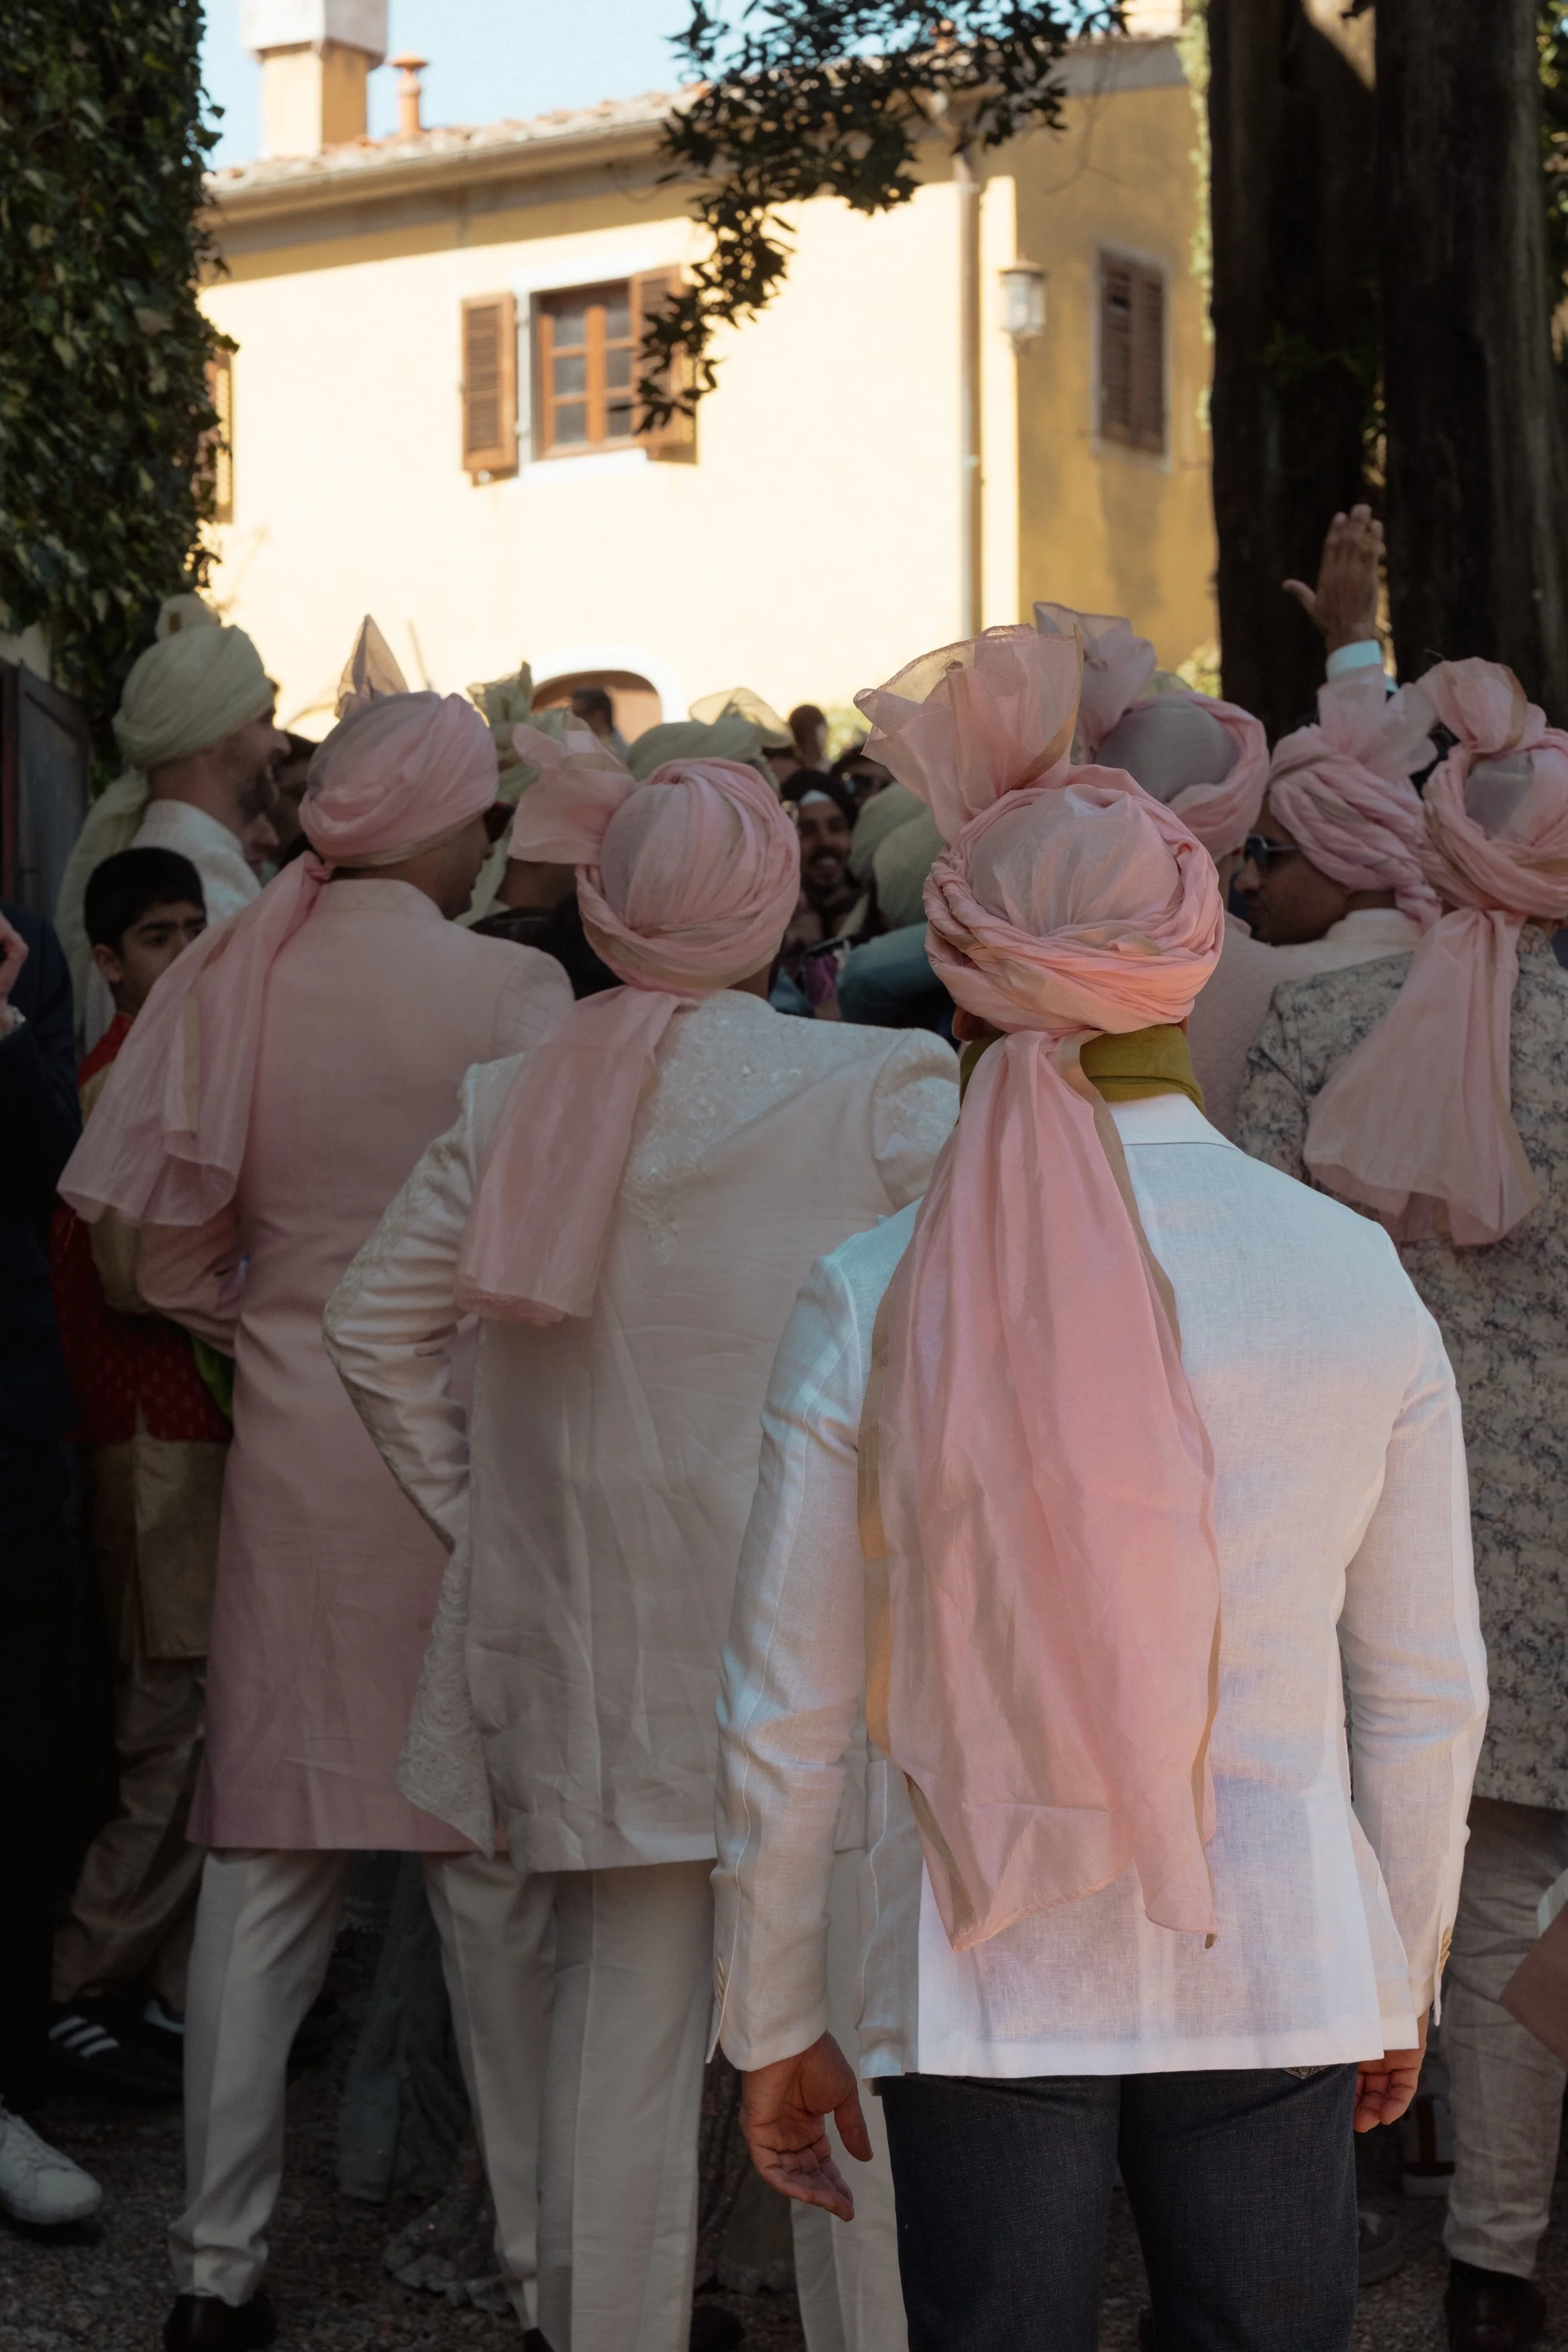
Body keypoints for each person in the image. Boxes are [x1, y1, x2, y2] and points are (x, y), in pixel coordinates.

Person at [711, 640, 1488, 2352]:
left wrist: (769, 2007)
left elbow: (787, 1700)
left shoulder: (875, 1282)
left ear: (969, 982)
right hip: (1274, 1932)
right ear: (1187, 959)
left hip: (981, 1956)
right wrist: (1398, 1961)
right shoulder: (1346, 1272)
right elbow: (1425, 1686)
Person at [324, 723, 958, 2352]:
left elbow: (370, 1325)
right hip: (825, 1649)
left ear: (601, 909)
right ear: (772, 911)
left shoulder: (515, 1093)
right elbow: (963, 1348)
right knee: (849, 2059)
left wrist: (492, 1516)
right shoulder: (882, 1085)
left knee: (618, 2048)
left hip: (600, 1653)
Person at [60, 627, 573, 2352]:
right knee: (487, 1877)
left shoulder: (237, 970)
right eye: (480, 812)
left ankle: (213, 2272)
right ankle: (540, 2278)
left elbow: (178, 1249)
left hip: (288, 1443)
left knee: (264, 1864)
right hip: (458, 1449)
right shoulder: (509, 990)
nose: (487, 839)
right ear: (435, 825)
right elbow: (545, 1246)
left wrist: (279, 1318)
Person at [1234, 657, 1568, 2352]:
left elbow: (1248, 1281)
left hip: (1372, 1510)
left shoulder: (1313, 1023)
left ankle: (1452, 2220)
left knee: (1408, 1853)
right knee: (1527, 1889)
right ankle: (1498, 2228)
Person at [48, 850, 229, 2102]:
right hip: (149, 1432)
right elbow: (130, 1277)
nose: (180, 956)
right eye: (154, 938)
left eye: (194, 931)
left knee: (190, 1727)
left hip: (171, 1432)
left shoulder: (164, 1071)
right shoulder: (133, 1080)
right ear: (107, 963)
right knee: (167, 1732)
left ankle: (153, 1989)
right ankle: (74, 1988)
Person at [0, 899, 104, 2230]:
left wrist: (7, 1029)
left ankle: (10, 2084)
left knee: (25, 1766)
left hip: (8, 1442)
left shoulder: (20, 951)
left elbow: (59, 1175)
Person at [1185, 674, 1438, 1135]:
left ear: (1347, 855)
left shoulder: (1282, 984)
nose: (1248, 882)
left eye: (1268, 853)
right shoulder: (1466, 973)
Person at [55, 595, 287, 1043]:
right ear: (212, 733)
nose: (279, 743)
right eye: (264, 720)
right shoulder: (196, 885)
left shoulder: (176, 862)